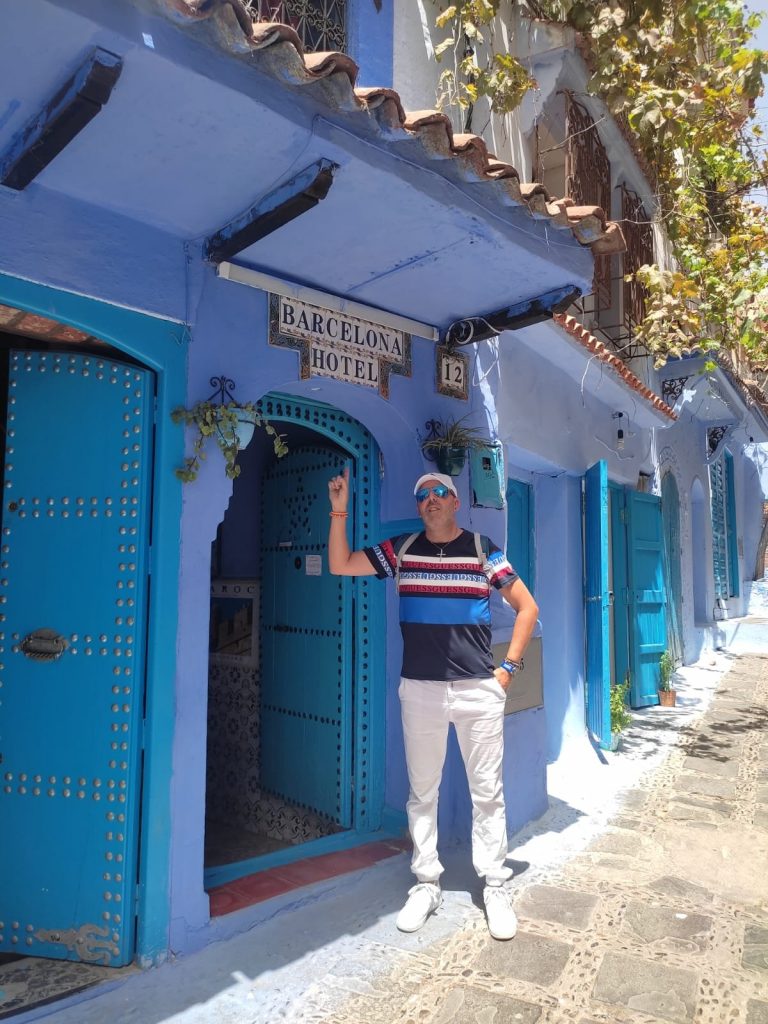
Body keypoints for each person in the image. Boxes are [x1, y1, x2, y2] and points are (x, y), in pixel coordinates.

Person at [327, 467, 539, 940]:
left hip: (478, 690)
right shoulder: (400, 550)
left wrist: (508, 671)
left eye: (440, 492)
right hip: (420, 690)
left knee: (487, 793)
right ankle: (426, 883)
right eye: (423, 495)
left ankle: (495, 884)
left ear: (455, 501)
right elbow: (341, 564)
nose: (432, 500)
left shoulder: (484, 551)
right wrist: (339, 508)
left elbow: (528, 607)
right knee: (423, 792)